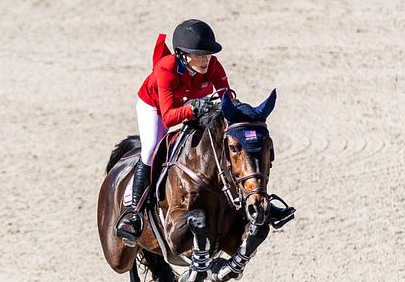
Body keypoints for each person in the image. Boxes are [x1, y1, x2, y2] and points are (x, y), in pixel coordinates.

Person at [115, 19, 294, 244]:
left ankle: (255, 197)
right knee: (151, 148)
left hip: (193, 101)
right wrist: (192, 108)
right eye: (199, 55)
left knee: (227, 141)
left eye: (208, 54)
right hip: (156, 107)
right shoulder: (166, 69)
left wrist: (239, 117)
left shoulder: (213, 65)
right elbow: (169, 116)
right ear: (182, 54)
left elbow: (227, 98)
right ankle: (134, 211)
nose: (205, 60)